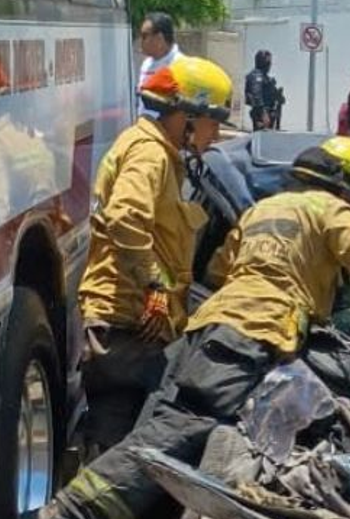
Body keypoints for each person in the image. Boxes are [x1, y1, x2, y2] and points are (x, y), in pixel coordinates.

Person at [32, 137, 350, 519]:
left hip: (209, 328)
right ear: (349, 187)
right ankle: (70, 511)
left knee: (163, 427)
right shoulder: (333, 209)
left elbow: (217, 269)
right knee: (182, 427)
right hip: (253, 332)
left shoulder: (262, 209)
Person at [77, 56, 234, 454]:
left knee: (115, 445)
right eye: (213, 123)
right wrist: (156, 286)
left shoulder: (154, 150)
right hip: (130, 322)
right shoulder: (150, 154)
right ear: (188, 117)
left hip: (131, 321)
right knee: (134, 448)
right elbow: (126, 217)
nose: (216, 134)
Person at [136, 12, 181, 91]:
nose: (141, 41)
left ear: (159, 38)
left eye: (144, 36)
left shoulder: (180, 66)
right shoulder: (146, 64)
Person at [245, 50, 283, 131]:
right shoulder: (256, 75)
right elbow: (256, 94)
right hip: (261, 114)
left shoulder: (265, 77)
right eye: (268, 62)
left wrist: (278, 95)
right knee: (262, 135)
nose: (270, 65)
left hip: (269, 112)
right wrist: (263, 113)